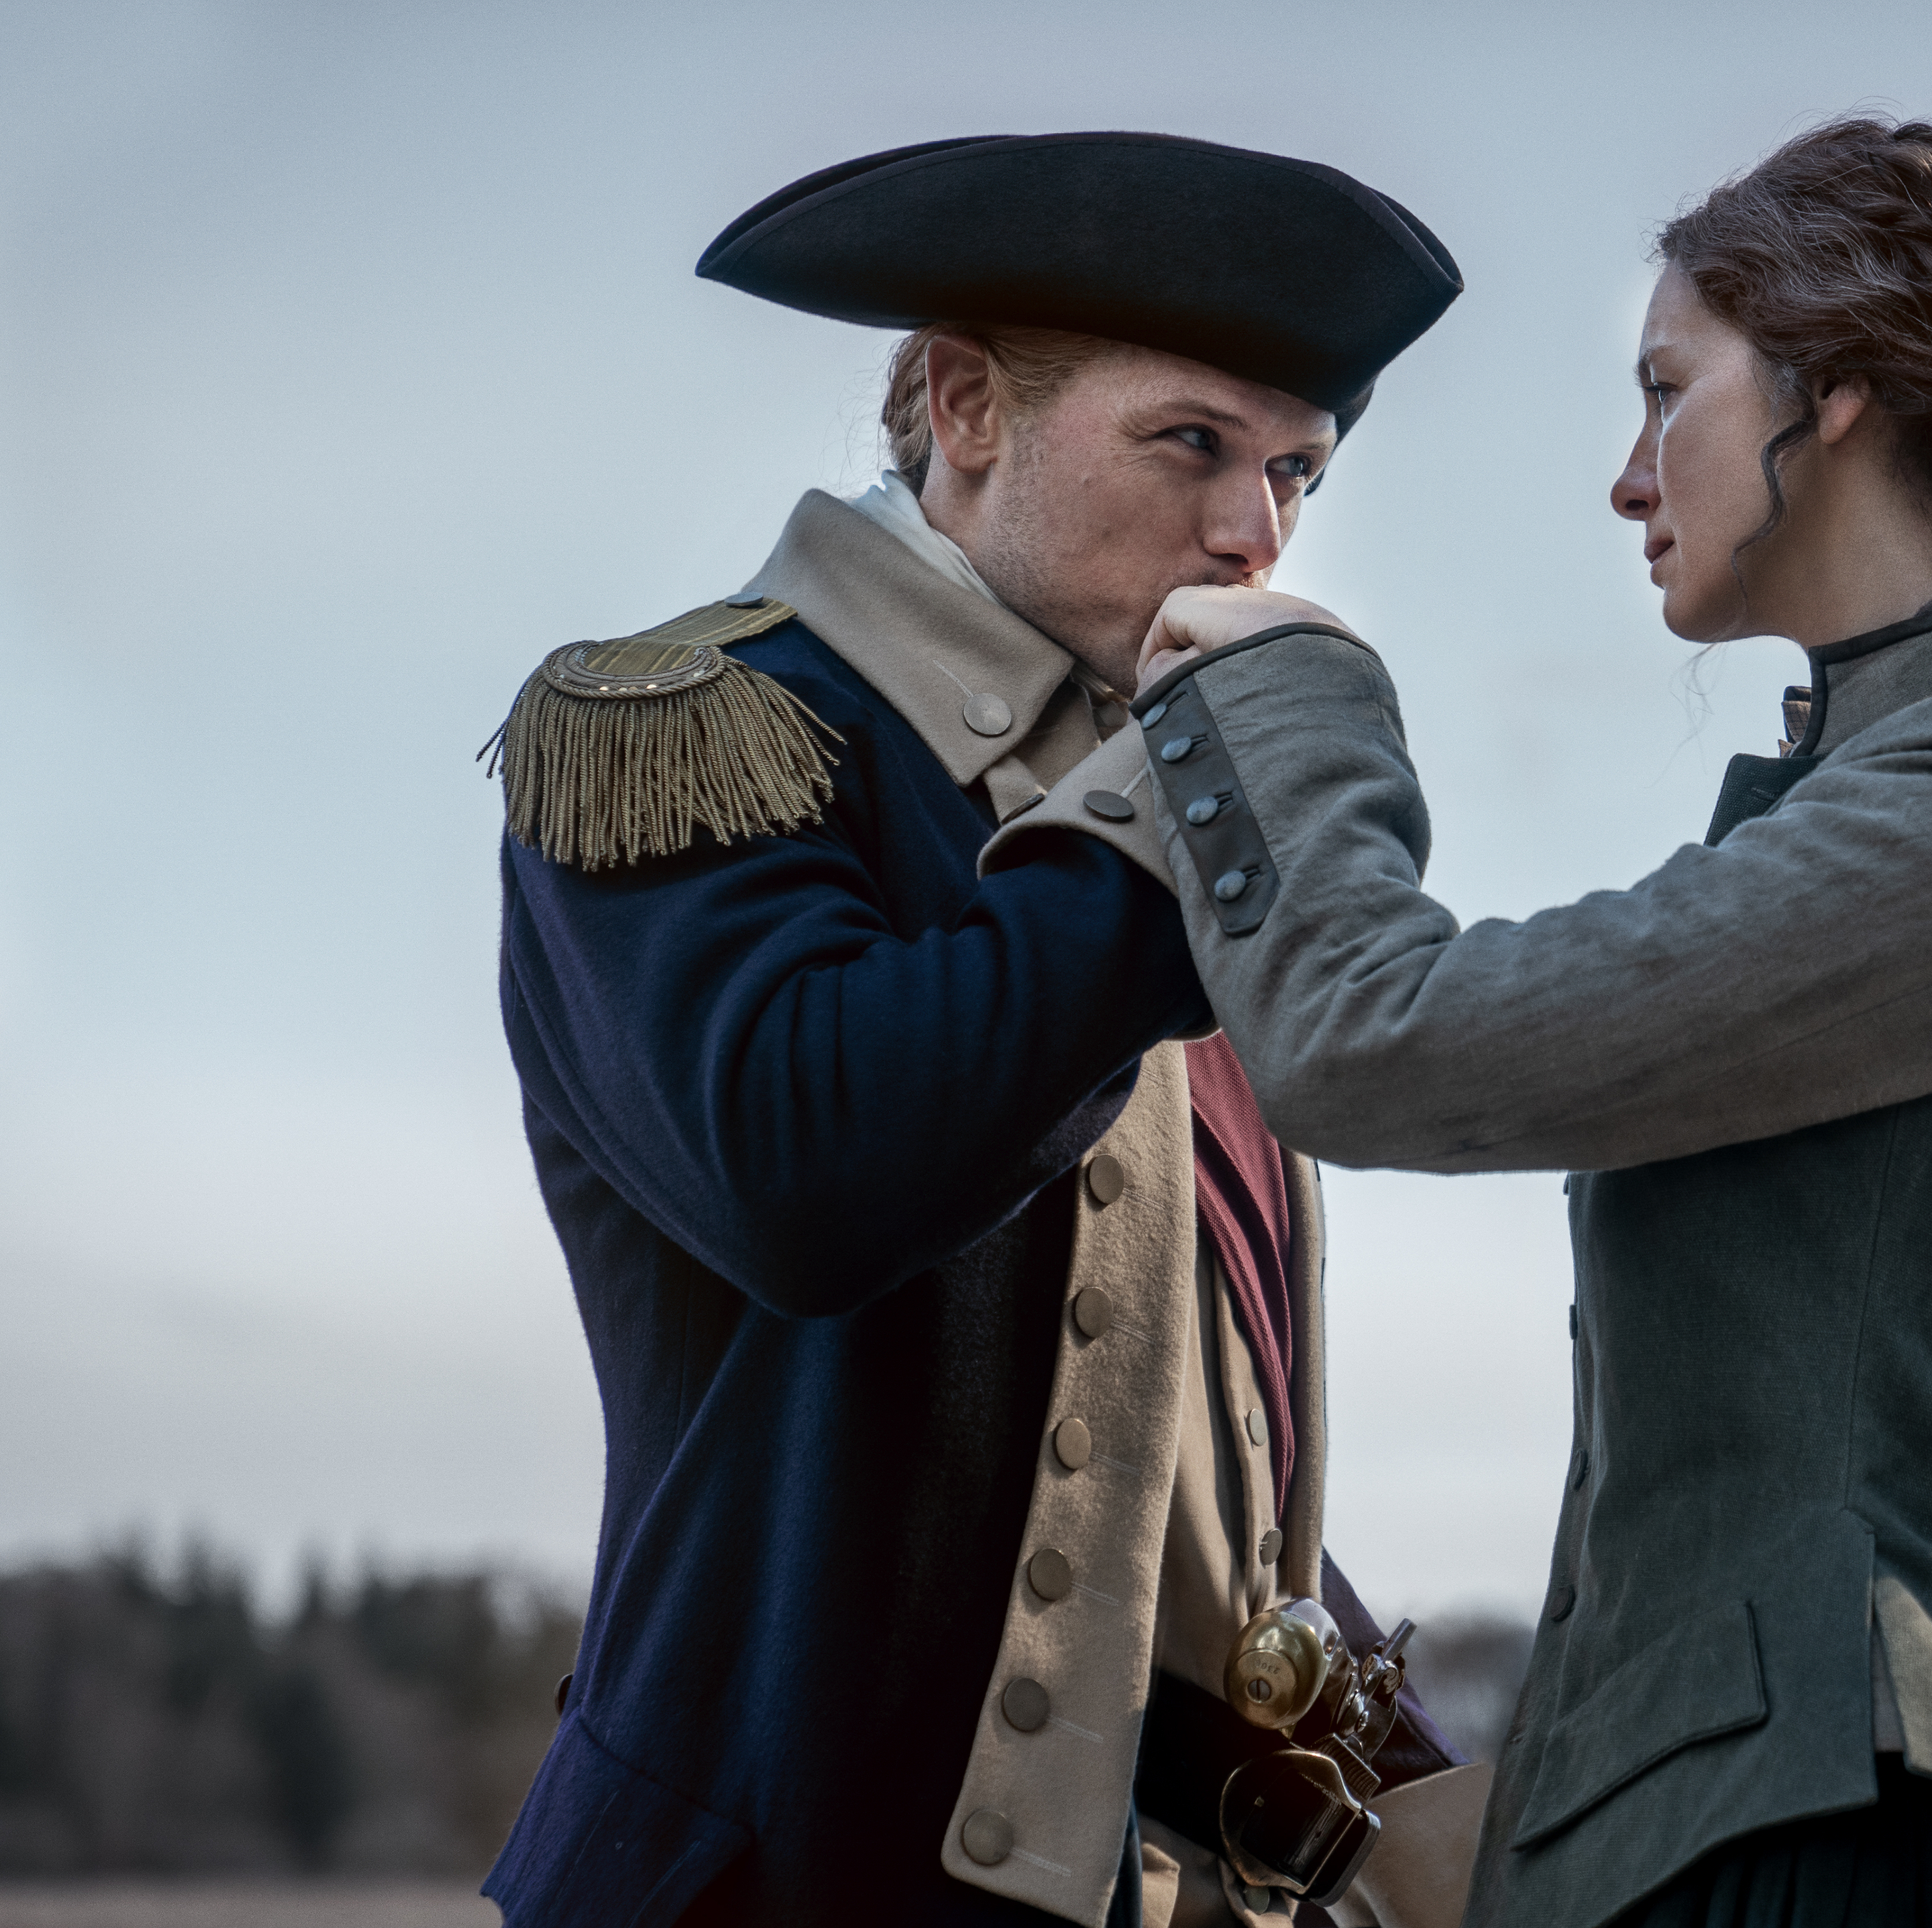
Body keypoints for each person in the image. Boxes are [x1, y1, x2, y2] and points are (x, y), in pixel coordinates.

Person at [1007, 118, 1932, 1928]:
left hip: (1886, 1845)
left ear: (1838, 393)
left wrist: (1286, 685)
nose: (1627, 472)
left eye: (1667, 387)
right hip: (1791, 1834)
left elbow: (1369, 1036)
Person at [480, 133, 1487, 1928]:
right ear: (959, 405)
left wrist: (1420, 1815)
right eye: (1190, 442)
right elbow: (805, 1170)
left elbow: (1183, 1478)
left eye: (1293, 472)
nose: (1252, 534)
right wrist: (1186, 813)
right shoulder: (691, 724)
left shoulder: (1143, 843)